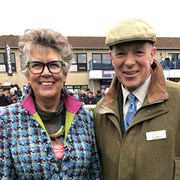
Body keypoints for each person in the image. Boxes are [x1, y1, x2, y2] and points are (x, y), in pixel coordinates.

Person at [0, 28, 101, 179]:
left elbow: (95, 174)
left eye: (54, 65)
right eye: (37, 65)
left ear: (65, 73)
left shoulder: (85, 117)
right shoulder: (7, 120)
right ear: (27, 74)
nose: (46, 72)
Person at [94, 19, 180, 179]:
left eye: (138, 52)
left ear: (152, 54)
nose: (129, 62)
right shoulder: (101, 112)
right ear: (111, 58)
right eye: (121, 54)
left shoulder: (178, 101)